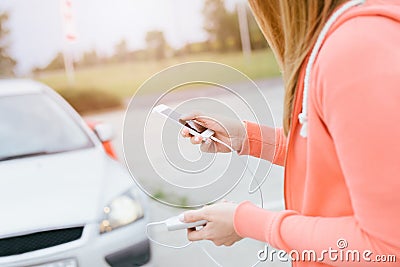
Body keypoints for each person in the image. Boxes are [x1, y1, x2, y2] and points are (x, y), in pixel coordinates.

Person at [180, 0, 400, 266]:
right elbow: (336, 157)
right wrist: (246, 138)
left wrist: (244, 221)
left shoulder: (355, 49)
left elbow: (387, 247)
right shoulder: (355, 35)